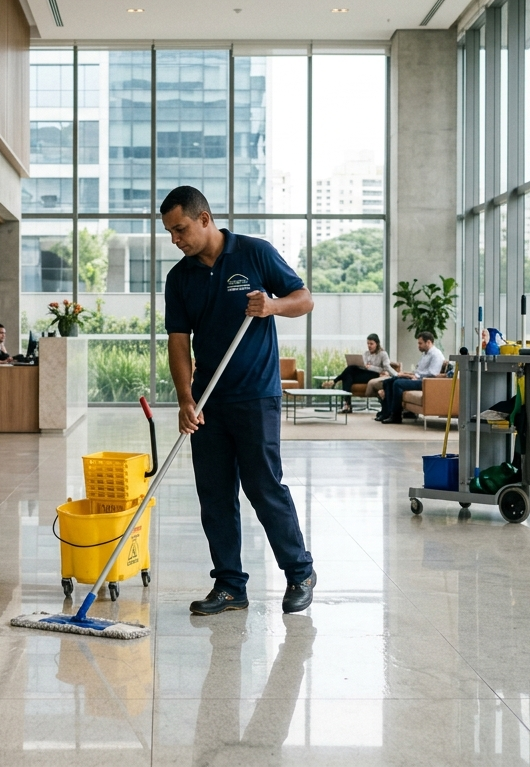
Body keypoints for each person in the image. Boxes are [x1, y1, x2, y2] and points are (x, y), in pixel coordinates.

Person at [162, 185, 317, 617]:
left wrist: (272, 306)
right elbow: (178, 344)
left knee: (264, 488)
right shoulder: (180, 278)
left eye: (180, 229)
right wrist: (185, 398)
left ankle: (300, 572)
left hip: (256, 396)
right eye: (170, 233)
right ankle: (230, 586)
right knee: (214, 495)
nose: (176, 240)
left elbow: (304, 299)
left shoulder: (254, 253)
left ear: (204, 219)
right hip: (209, 401)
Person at [376, 332, 446, 424]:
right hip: (418, 378)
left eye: (420, 343)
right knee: (388, 382)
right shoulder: (425, 354)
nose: (418, 346)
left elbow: (433, 373)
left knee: (397, 384)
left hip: (425, 382)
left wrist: (414, 376)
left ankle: (396, 416)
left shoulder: (436, 354)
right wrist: (407, 374)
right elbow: (419, 371)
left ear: (428, 342)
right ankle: (386, 413)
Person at [327, 333, 391, 414]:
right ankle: (347, 404)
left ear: (377, 344)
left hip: (375, 375)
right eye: (368, 343)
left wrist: (371, 367)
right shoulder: (366, 353)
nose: (369, 346)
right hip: (364, 374)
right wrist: (362, 366)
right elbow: (363, 365)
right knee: (349, 372)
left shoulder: (383, 354)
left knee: (347, 374)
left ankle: (336, 382)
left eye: (371, 344)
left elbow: (385, 369)